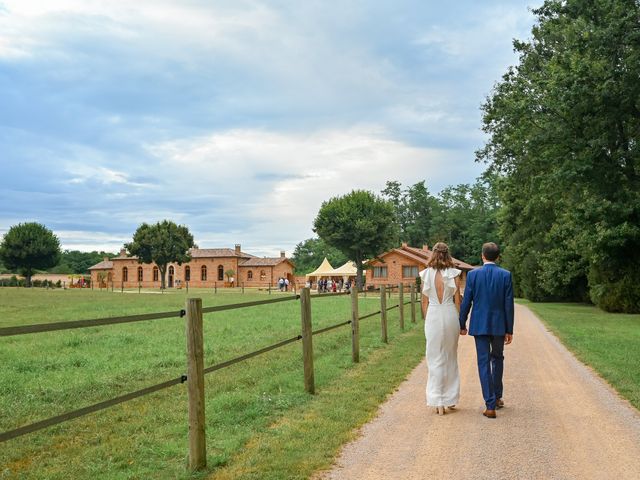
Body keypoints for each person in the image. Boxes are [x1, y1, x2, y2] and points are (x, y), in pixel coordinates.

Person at [459, 242, 514, 419]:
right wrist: (509, 329)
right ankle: (497, 397)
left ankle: (490, 404)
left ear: (483, 255)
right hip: (499, 326)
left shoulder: (473, 275)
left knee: (483, 362)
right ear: (497, 257)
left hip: (480, 324)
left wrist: (462, 323)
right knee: (498, 358)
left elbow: (466, 301)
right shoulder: (506, 275)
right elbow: (508, 305)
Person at [420, 242, 462, 415]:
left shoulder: (426, 274)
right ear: (448, 254)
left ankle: (437, 400)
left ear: (433, 253)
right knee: (450, 356)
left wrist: (427, 318)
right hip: (450, 313)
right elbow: (457, 300)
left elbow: (424, 302)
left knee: (434, 357)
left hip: (433, 315)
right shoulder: (454, 273)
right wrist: (458, 320)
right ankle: (449, 398)